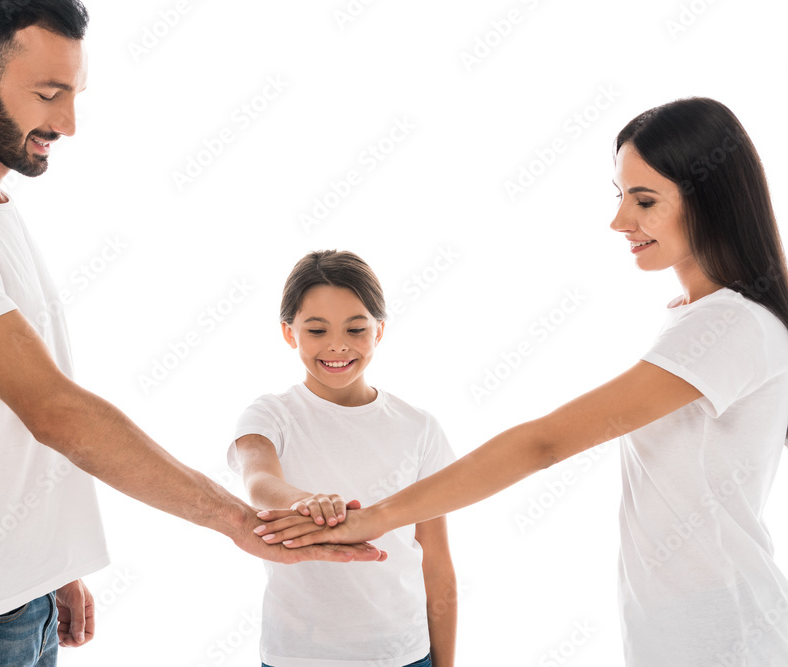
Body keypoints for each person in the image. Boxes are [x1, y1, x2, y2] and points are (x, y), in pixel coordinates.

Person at [0, 1, 384, 665]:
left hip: (16, 598)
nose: (68, 123)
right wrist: (237, 519)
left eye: (73, 94)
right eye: (48, 95)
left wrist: (51, 566)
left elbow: (2, 416)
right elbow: (55, 411)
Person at [255, 97, 788, 666]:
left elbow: (545, 443)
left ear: (709, 199)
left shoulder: (730, 324)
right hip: (678, 628)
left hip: (726, 632)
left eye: (645, 200)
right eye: (620, 195)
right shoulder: (697, 317)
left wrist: (372, 519)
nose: (619, 220)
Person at [229, 250, 457, 667]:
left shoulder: (419, 427)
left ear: (380, 330)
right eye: (316, 330)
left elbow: (437, 561)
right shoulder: (269, 414)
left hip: (404, 654)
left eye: (356, 328)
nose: (337, 345)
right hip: (297, 656)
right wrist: (303, 501)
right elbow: (258, 480)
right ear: (289, 332)